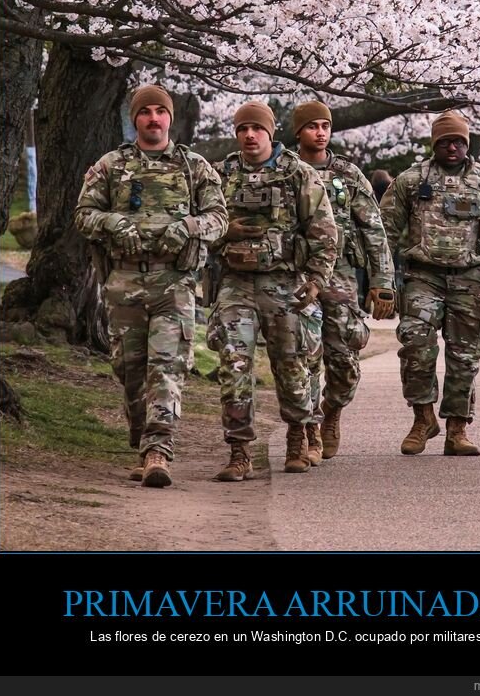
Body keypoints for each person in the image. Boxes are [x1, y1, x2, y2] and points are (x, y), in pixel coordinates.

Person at [74, 84, 228, 488]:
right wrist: (112, 222)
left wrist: (189, 227)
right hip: (123, 281)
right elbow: (84, 214)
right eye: (146, 112)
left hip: (174, 283)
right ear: (136, 118)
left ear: (170, 119)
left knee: (168, 366)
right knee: (129, 370)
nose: (154, 118)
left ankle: (159, 449)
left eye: (161, 111)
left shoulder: (194, 166)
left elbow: (218, 217)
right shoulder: (111, 165)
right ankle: (141, 432)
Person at [380, 110, 480, 457]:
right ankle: (422, 419)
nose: (452, 147)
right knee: (416, 346)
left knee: (465, 356)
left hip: (472, 279)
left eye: (459, 141)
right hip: (423, 277)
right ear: (435, 144)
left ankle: (457, 429)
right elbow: (384, 231)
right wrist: (381, 279)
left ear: (468, 143)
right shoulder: (412, 179)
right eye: (445, 141)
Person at [208, 101, 338, 481]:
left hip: (285, 284)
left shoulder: (297, 174)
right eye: (243, 129)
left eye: (257, 129)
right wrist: (223, 232)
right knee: (233, 364)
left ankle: (298, 436)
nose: (250, 135)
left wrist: (316, 280)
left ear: (271, 133)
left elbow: (325, 232)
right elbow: (201, 220)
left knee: (292, 365)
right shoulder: (221, 174)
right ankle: (239, 450)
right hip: (236, 285)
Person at [293, 101, 395, 463]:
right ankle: (308, 430)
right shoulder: (285, 171)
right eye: (312, 126)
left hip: (343, 277)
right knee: (303, 356)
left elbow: (374, 231)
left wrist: (382, 281)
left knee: (344, 362)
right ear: (298, 132)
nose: (320, 132)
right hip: (300, 275)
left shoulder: (348, 175)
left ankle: (332, 410)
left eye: (325, 126)